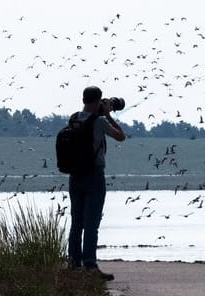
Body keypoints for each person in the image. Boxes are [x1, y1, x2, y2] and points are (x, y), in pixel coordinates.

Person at [68, 86, 125, 280]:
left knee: (76, 223)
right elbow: (120, 136)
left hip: (74, 176)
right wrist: (108, 114)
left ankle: (74, 265)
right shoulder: (99, 121)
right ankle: (90, 266)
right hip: (94, 175)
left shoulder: (74, 118)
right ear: (98, 101)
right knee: (91, 224)